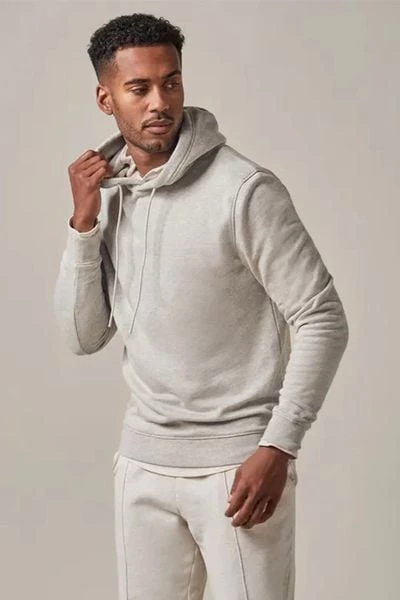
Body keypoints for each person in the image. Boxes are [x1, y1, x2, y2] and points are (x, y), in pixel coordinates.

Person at [53, 12, 349, 600]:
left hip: (238, 467)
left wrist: (278, 444)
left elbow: (322, 317)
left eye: (171, 82)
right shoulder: (109, 196)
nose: (160, 102)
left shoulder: (244, 190)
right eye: (139, 88)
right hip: (143, 466)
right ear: (106, 99)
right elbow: (83, 336)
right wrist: (83, 225)